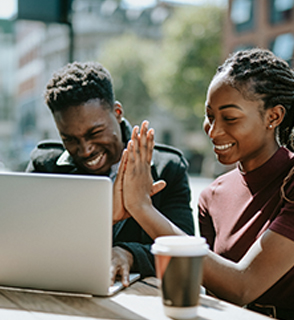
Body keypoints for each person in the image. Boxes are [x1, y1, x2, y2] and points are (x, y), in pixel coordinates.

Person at [118, 48, 294, 319]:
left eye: (230, 118)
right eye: (210, 116)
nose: (213, 130)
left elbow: (243, 286)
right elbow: (215, 291)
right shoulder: (211, 195)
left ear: (273, 117)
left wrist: (141, 207)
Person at [25, 61, 194, 285]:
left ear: (117, 113)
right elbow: (28, 242)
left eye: (95, 132)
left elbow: (185, 250)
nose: (85, 150)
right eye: (70, 139)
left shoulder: (167, 169)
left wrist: (129, 254)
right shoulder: (45, 166)